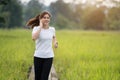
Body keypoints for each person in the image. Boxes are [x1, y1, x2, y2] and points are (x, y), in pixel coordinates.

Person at [26, 11, 58, 80]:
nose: (46, 19)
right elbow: (34, 38)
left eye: (48, 18)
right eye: (44, 17)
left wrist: (55, 43)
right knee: (37, 77)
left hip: (49, 57)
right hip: (38, 56)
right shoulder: (36, 29)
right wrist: (40, 27)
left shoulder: (52, 29)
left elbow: (54, 37)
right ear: (40, 19)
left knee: (44, 78)